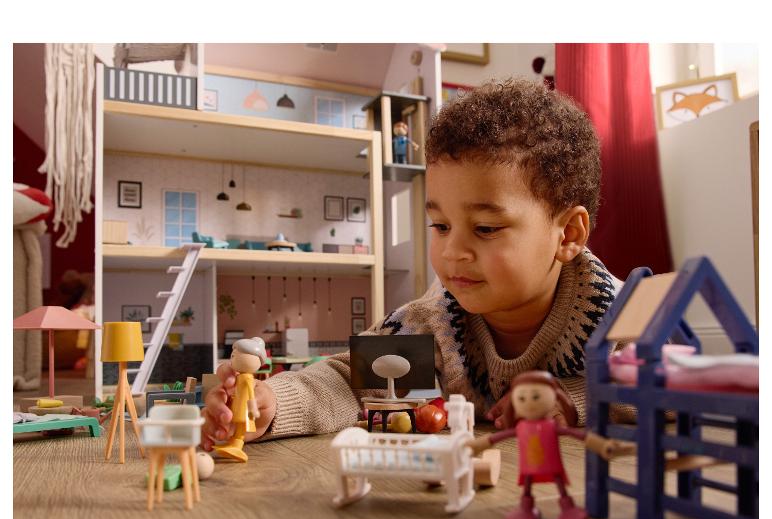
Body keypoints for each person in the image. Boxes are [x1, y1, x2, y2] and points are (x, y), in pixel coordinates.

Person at [201, 77, 626, 453]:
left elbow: (670, 382)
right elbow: (350, 381)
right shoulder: (433, 322)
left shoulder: (621, 315)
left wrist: (575, 400)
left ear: (567, 234)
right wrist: (271, 402)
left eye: (486, 228)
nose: (452, 252)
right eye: (439, 225)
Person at [467, 371, 628, 519]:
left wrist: (600, 444)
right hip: (529, 464)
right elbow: (496, 438)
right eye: (522, 398)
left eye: (536, 397)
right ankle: (526, 508)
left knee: (559, 484)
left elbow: (579, 435)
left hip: (552, 463)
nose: (529, 403)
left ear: (555, 396)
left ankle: (567, 509)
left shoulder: (550, 426)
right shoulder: (523, 427)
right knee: (528, 484)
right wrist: (476, 446)